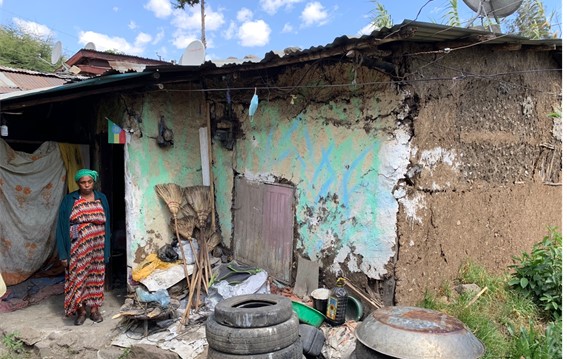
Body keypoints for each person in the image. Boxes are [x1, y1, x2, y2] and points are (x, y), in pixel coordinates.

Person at [56, 169, 111, 325]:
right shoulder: (70, 200)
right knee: (78, 277)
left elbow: (108, 225)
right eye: (83, 182)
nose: (86, 185)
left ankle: (94, 310)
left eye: (89, 182)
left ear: (94, 182)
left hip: (98, 248)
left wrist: (106, 250)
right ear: (78, 183)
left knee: (96, 276)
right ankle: (80, 311)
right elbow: (61, 227)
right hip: (77, 248)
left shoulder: (102, 198)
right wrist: (63, 254)